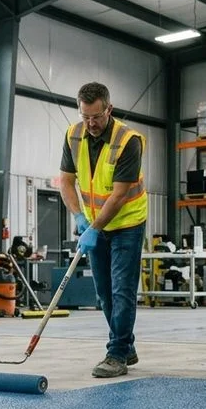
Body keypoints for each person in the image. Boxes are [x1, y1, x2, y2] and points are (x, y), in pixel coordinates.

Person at [58, 82, 148, 378]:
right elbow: (65, 182)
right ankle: (127, 346)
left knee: (122, 290)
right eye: (85, 117)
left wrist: (94, 227)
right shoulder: (73, 136)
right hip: (94, 224)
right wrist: (78, 217)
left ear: (109, 109)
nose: (91, 123)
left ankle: (117, 354)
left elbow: (120, 195)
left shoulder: (129, 141)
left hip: (127, 223)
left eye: (96, 117)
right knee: (104, 294)